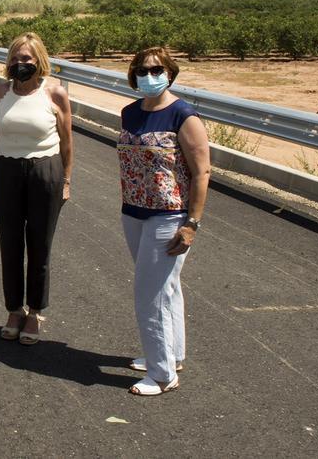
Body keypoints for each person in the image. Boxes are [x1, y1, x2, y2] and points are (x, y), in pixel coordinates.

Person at [117, 46, 210, 395]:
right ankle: (171, 355)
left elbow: (201, 172)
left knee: (149, 294)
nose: (149, 75)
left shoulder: (183, 116)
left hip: (169, 216)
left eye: (157, 69)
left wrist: (192, 223)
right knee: (166, 289)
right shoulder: (130, 113)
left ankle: (161, 375)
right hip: (134, 212)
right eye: (142, 69)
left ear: (170, 73)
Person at [0, 32, 72, 345]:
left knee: (39, 246)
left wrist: (67, 181)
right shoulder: (0, 94)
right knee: (9, 244)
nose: (21, 64)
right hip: (7, 171)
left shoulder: (55, 94)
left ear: (39, 62)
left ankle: (34, 313)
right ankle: (13, 310)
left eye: (27, 59)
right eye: (16, 59)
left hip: (45, 171)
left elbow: (67, 141)